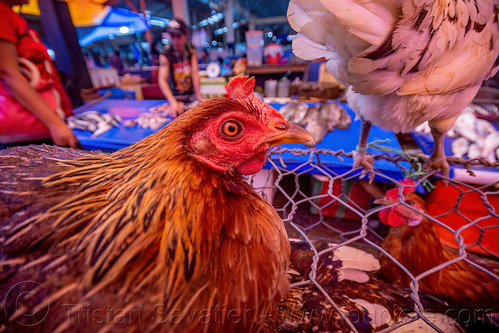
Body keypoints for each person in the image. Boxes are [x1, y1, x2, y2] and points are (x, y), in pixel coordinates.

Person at [0, 0, 80, 148]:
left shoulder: (11, 16)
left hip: (40, 126)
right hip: (27, 131)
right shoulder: (2, 13)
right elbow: (8, 74)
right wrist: (55, 124)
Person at [158, 18, 204, 116]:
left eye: (178, 36)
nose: (175, 40)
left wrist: (199, 96)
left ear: (186, 35)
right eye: (172, 35)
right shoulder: (166, 53)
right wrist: (173, 102)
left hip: (190, 96)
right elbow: (162, 79)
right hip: (174, 97)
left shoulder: (190, 49)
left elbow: (195, 73)